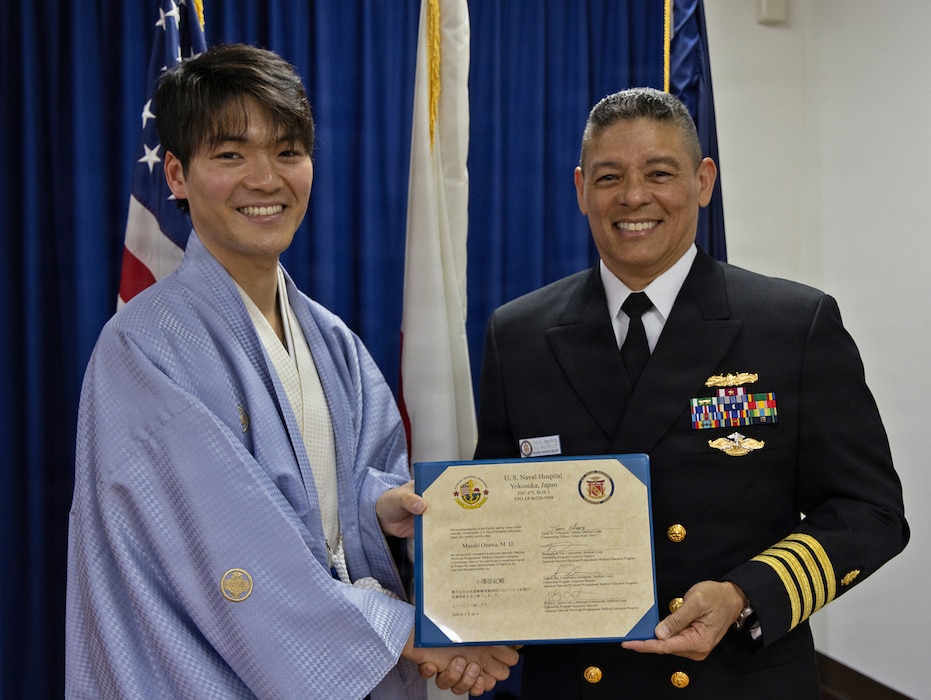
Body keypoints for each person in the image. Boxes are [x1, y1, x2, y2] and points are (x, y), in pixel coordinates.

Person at [66, 43, 517, 699]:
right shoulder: (142, 351)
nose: (265, 179)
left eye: (287, 152)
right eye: (229, 154)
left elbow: (340, 505)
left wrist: (378, 510)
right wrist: (406, 632)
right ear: (174, 174)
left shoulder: (333, 343)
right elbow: (225, 550)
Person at [467, 88, 909, 698]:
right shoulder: (517, 334)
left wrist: (744, 594)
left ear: (703, 181)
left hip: (735, 679)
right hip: (576, 683)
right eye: (609, 177)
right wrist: (467, 621)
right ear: (579, 189)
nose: (633, 197)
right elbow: (499, 517)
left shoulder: (792, 326)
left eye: (659, 173)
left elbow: (872, 513)